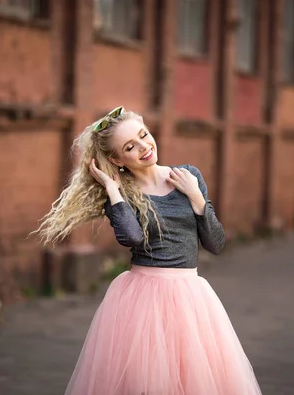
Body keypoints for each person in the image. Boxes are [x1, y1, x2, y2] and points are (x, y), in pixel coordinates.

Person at [31, 106, 262, 395]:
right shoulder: (121, 195)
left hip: (191, 297)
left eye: (144, 135)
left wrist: (195, 196)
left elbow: (216, 243)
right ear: (116, 159)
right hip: (142, 300)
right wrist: (113, 191)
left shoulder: (188, 176)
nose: (144, 147)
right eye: (130, 146)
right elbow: (132, 239)